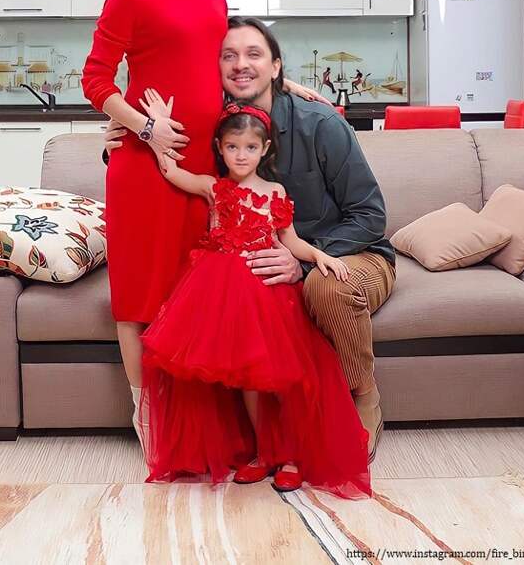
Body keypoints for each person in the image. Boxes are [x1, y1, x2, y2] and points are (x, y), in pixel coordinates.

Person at [82, 0, 329, 452]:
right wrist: (142, 126)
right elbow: (95, 80)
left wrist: (283, 84)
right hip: (146, 166)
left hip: (203, 163)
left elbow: (221, 62)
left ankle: (199, 424)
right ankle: (148, 419)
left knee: (191, 294)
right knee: (140, 298)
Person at [104, 16, 396, 462]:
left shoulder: (320, 123)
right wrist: (120, 139)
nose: (241, 64)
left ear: (276, 66)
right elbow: (165, 159)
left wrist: (303, 262)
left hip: (347, 253)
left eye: (254, 55)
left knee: (325, 287)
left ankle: (364, 395)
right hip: (256, 261)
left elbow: (370, 216)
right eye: (229, 56)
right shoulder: (218, 127)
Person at [137, 91, 370, 497]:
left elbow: (290, 241)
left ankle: (291, 456)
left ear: (264, 149)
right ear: (219, 148)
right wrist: (155, 127)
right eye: (232, 147)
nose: (240, 155)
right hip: (220, 294)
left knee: (282, 377)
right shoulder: (214, 187)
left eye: (249, 147)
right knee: (246, 379)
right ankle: (263, 452)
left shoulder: (275, 192)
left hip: (267, 293)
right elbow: (171, 171)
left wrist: (321, 256)